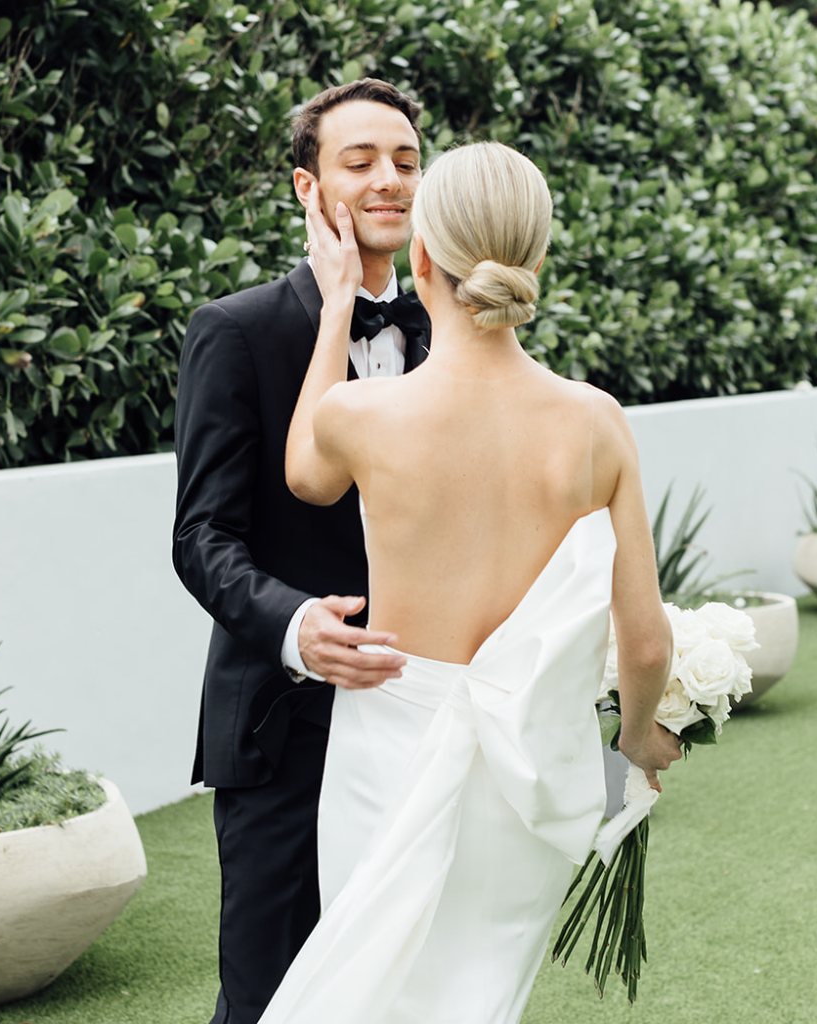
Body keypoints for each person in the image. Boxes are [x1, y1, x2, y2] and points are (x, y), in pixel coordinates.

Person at [260, 142, 683, 1023]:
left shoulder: (361, 414)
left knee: (370, 993)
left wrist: (338, 300)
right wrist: (638, 741)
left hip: (386, 747)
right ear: (535, 260)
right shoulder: (596, 423)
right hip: (528, 767)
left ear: (421, 259)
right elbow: (644, 641)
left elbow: (304, 474)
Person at [171, 79, 430, 1024]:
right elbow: (201, 535)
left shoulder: (455, 339)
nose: (388, 180)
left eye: (405, 160)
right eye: (358, 161)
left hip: (421, 719)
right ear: (307, 190)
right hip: (282, 731)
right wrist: (295, 627)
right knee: (270, 999)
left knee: (403, 990)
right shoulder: (235, 331)